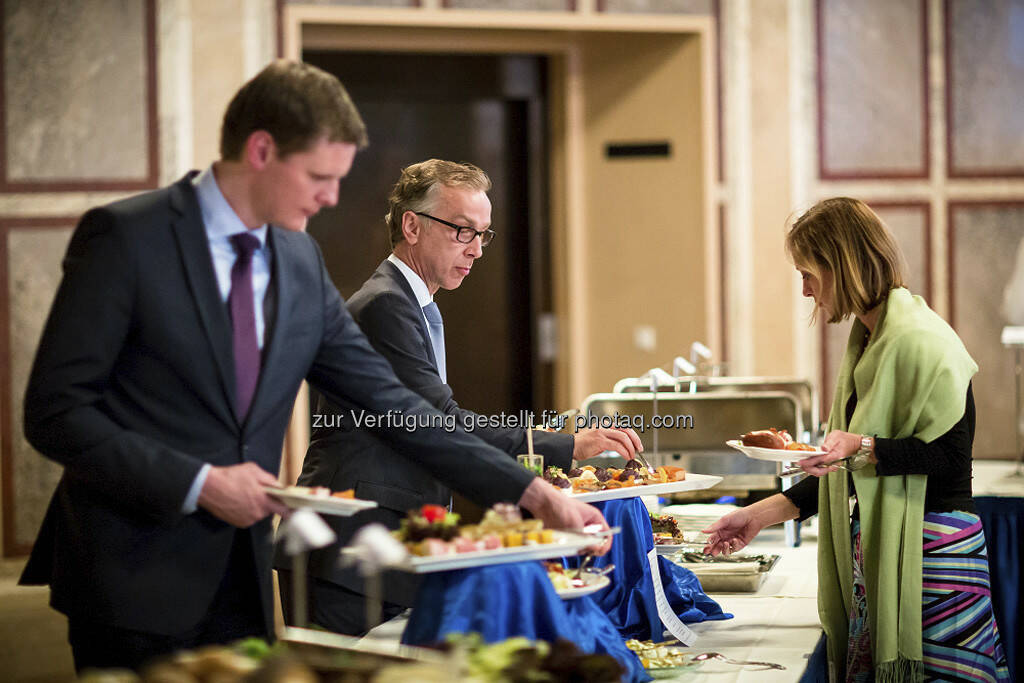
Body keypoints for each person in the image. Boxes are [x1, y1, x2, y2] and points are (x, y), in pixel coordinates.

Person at [18, 60, 608, 673]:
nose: (331, 197)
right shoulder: (126, 237)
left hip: (239, 570)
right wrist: (201, 481)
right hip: (131, 564)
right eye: (320, 176)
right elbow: (56, 412)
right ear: (262, 150)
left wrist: (536, 491)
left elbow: (397, 405)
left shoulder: (299, 258)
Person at [278, 159, 643, 635]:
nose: (476, 250)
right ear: (411, 225)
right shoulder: (384, 305)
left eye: (483, 235)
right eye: (462, 231)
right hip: (349, 550)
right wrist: (564, 446)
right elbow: (439, 421)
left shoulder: (410, 303)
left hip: (383, 546)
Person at [704, 198, 1009, 682]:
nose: (805, 291)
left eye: (808, 274)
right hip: (889, 551)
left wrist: (865, 447)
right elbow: (847, 471)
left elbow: (951, 460)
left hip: (935, 562)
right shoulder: (870, 342)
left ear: (841, 266)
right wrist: (755, 516)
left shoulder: (921, 342)